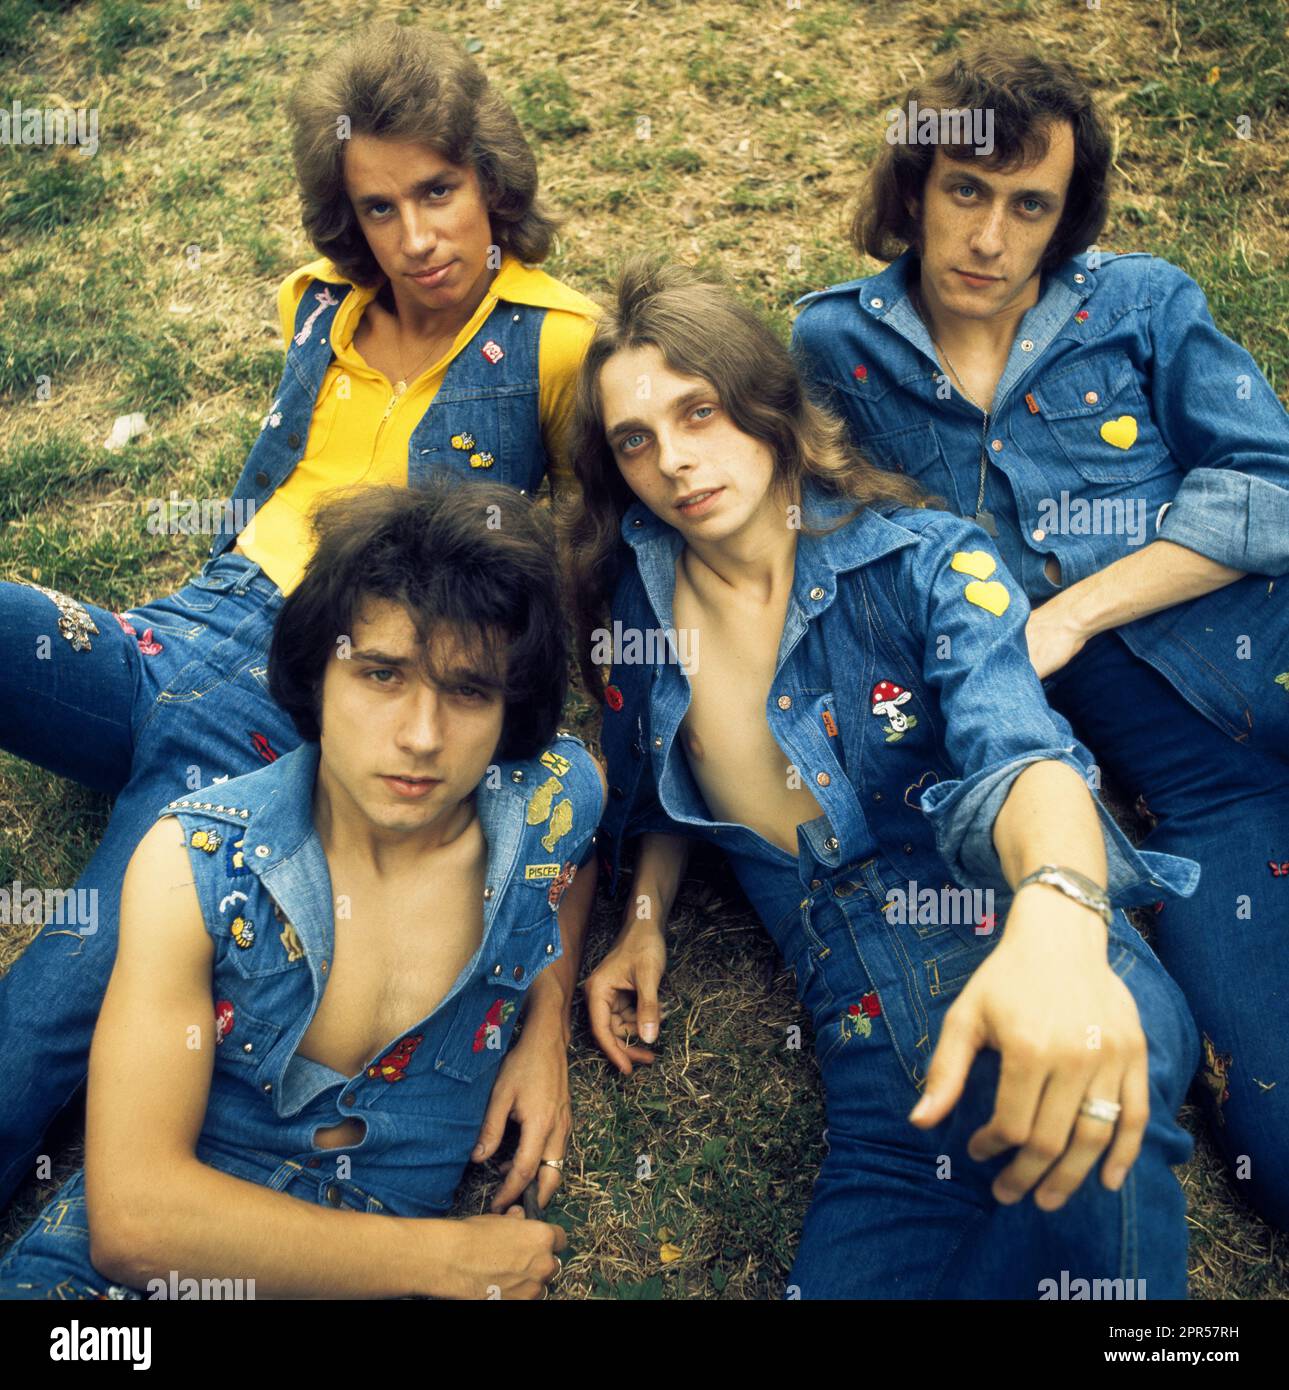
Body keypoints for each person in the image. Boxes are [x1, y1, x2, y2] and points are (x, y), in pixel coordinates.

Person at [0, 22, 599, 1213]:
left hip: (304, 692)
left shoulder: (558, 341)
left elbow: (581, 572)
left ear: (490, 181)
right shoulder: (318, 307)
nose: (415, 237)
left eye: (438, 190)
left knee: (76, 971)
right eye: (379, 207)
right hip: (172, 633)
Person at [562, 258, 1200, 1299]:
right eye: (636, 439)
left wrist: (1058, 919)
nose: (674, 460)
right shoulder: (635, 599)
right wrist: (643, 916)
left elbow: (1020, 752)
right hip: (881, 1100)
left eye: (700, 411)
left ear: (765, 405)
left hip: (1048, 987)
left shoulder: (930, 563)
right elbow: (652, 791)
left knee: (1091, 1153)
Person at [789, 46, 1289, 1229]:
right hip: (1199, 793)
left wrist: (1069, 608)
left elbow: (1269, 484)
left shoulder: (1141, 302)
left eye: (1029, 206)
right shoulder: (832, 350)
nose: (990, 239)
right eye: (965, 190)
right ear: (913, 185)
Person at [0, 480, 606, 1300]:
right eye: (383, 675)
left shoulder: (548, 802)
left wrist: (545, 1024)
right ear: (316, 677)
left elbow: (575, 853)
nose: (421, 737)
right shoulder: (196, 867)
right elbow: (136, 1222)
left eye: (468, 690)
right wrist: (447, 1262)